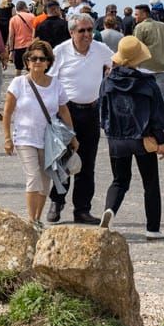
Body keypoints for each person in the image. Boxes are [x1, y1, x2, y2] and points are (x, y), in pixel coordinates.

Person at [99, 36, 164, 240]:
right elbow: (157, 114)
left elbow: (102, 111)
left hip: (116, 138)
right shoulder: (147, 83)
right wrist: (161, 141)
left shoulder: (108, 81)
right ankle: (153, 229)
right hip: (143, 138)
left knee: (119, 180)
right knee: (150, 183)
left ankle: (110, 210)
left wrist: (109, 132)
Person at [3, 39, 77, 229]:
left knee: (45, 182)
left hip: (49, 140)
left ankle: (37, 218)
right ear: (27, 61)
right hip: (25, 138)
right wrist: (7, 138)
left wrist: (72, 135)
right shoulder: (18, 83)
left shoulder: (56, 85)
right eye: (33, 58)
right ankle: (31, 220)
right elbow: (8, 112)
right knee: (34, 177)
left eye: (42, 59)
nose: (37, 62)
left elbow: (64, 111)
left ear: (48, 62)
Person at [48, 12, 113, 224]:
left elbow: (117, 62)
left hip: (92, 111)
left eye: (89, 30)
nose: (87, 35)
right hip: (67, 112)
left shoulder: (100, 50)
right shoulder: (61, 52)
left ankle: (82, 209)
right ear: (71, 32)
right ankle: (57, 202)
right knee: (64, 159)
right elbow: (50, 81)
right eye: (82, 31)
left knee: (87, 163)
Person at [132, 3, 164, 96]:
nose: (135, 17)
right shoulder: (163, 26)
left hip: (144, 67)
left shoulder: (140, 27)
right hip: (161, 66)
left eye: (136, 14)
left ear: (144, 14)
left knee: (144, 95)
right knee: (160, 95)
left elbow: (136, 46)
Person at [7, 0, 36, 74]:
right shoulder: (32, 16)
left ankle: (18, 83)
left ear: (17, 9)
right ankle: (31, 83)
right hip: (31, 45)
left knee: (18, 68)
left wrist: (11, 50)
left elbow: (11, 36)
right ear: (25, 7)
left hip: (18, 46)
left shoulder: (13, 19)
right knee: (31, 67)